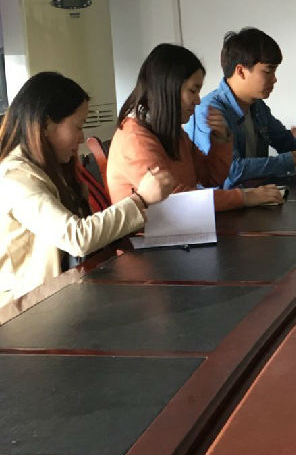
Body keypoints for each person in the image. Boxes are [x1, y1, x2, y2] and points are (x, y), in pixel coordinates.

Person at [0, 72, 174, 309]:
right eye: (77, 127)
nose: (82, 138)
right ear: (46, 125)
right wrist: (140, 199)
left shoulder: (50, 167)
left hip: (60, 295)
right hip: (25, 310)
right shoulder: (15, 176)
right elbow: (76, 237)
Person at [107, 43, 283, 210]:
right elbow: (173, 200)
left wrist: (220, 140)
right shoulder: (135, 139)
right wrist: (244, 197)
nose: (198, 101)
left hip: (180, 225)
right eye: (192, 91)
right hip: (152, 231)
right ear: (168, 88)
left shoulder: (171, 131)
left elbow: (209, 178)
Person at [186, 27, 296, 189]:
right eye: (268, 71)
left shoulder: (257, 106)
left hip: (256, 196)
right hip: (223, 203)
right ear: (241, 71)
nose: (274, 79)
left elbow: (287, 147)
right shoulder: (208, 111)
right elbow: (230, 172)